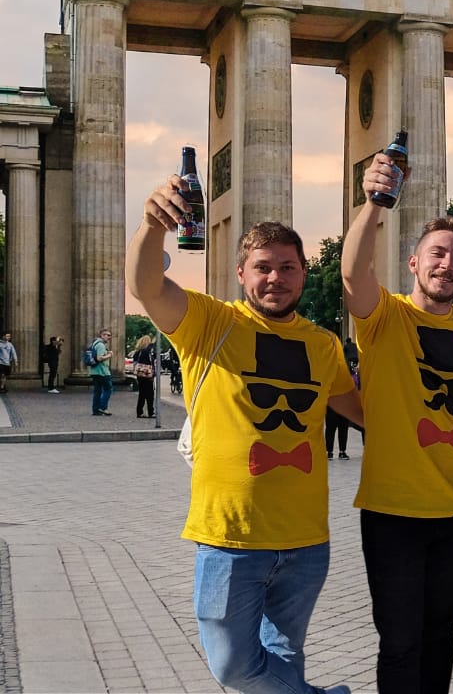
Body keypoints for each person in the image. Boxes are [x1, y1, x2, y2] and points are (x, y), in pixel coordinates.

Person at [126, 170, 362, 694]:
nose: (275, 278)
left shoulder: (323, 344)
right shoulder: (207, 322)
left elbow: (363, 411)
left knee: (284, 658)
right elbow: (145, 286)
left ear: (304, 274)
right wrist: (151, 225)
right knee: (233, 667)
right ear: (240, 273)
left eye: (288, 267)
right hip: (228, 536)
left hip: (306, 538)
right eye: (263, 268)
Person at [341, 153, 453, 694]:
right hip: (392, 510)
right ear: (413, 263)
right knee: (400, 641)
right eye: (437, 253)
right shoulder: (383, 317)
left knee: (442, 636)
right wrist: (373, 205)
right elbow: (352, 271)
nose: (447, 264)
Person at [131, 333, 156, 418]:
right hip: (147, 375)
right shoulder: (147, 351)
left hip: (140, 375)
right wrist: (152, 343)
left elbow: (135, 363)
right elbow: (151, 363)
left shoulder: (137, 352)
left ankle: (139, 412)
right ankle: (151, 412)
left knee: (142, 394)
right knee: (150, 394)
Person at [89, 329, 113, 415]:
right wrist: (109, 355)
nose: (109, 337)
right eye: (107, 335)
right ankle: (102, 407)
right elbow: (99, 358)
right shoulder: (101, 345)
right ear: (102, 335)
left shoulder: (94, 344)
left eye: (110, 335)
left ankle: (95, 410)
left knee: (97, 391)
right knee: (108, 389)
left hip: (94, 371)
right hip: (102, 371)